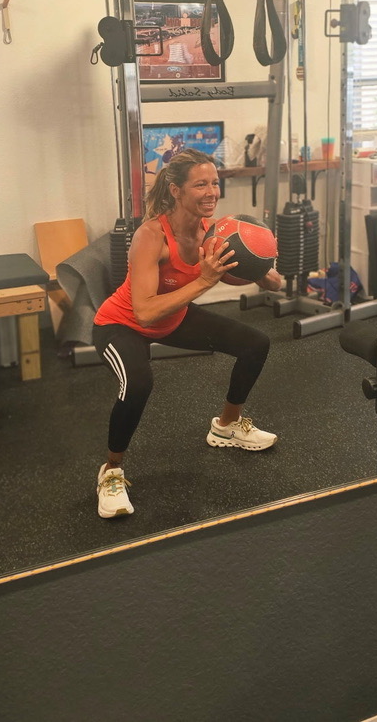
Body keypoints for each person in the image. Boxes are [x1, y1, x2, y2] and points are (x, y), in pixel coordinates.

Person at [93, 148, 282, 518]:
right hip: (121, 324)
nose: (211, 192)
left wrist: (260, 264)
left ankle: (226, 426)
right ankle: (111, 471)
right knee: (138, 384)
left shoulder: (214, 232)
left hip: (173, 316)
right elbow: (145, 312)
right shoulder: (151, 236)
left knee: (255, 344)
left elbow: (270, 282)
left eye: (215, 183)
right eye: (200, 185)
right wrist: (205, 281)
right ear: (176, 190)